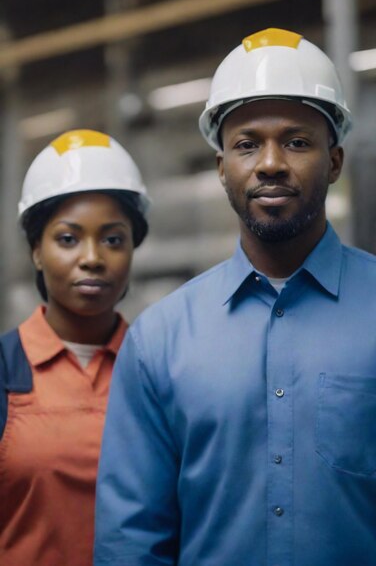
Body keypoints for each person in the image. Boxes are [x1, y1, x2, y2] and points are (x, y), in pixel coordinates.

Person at [94, 28, 376, 566]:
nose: (270, 162)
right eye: (247, 144)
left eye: (297, 141)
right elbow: (131, 540)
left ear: (334, 162)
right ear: (222, 168)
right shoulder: (159, 341)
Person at [0, 128, 150, 566]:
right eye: (68, 238)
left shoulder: (158, 370)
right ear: (36, 252)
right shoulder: (6, 371)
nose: (92, 257)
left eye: (113, 239)